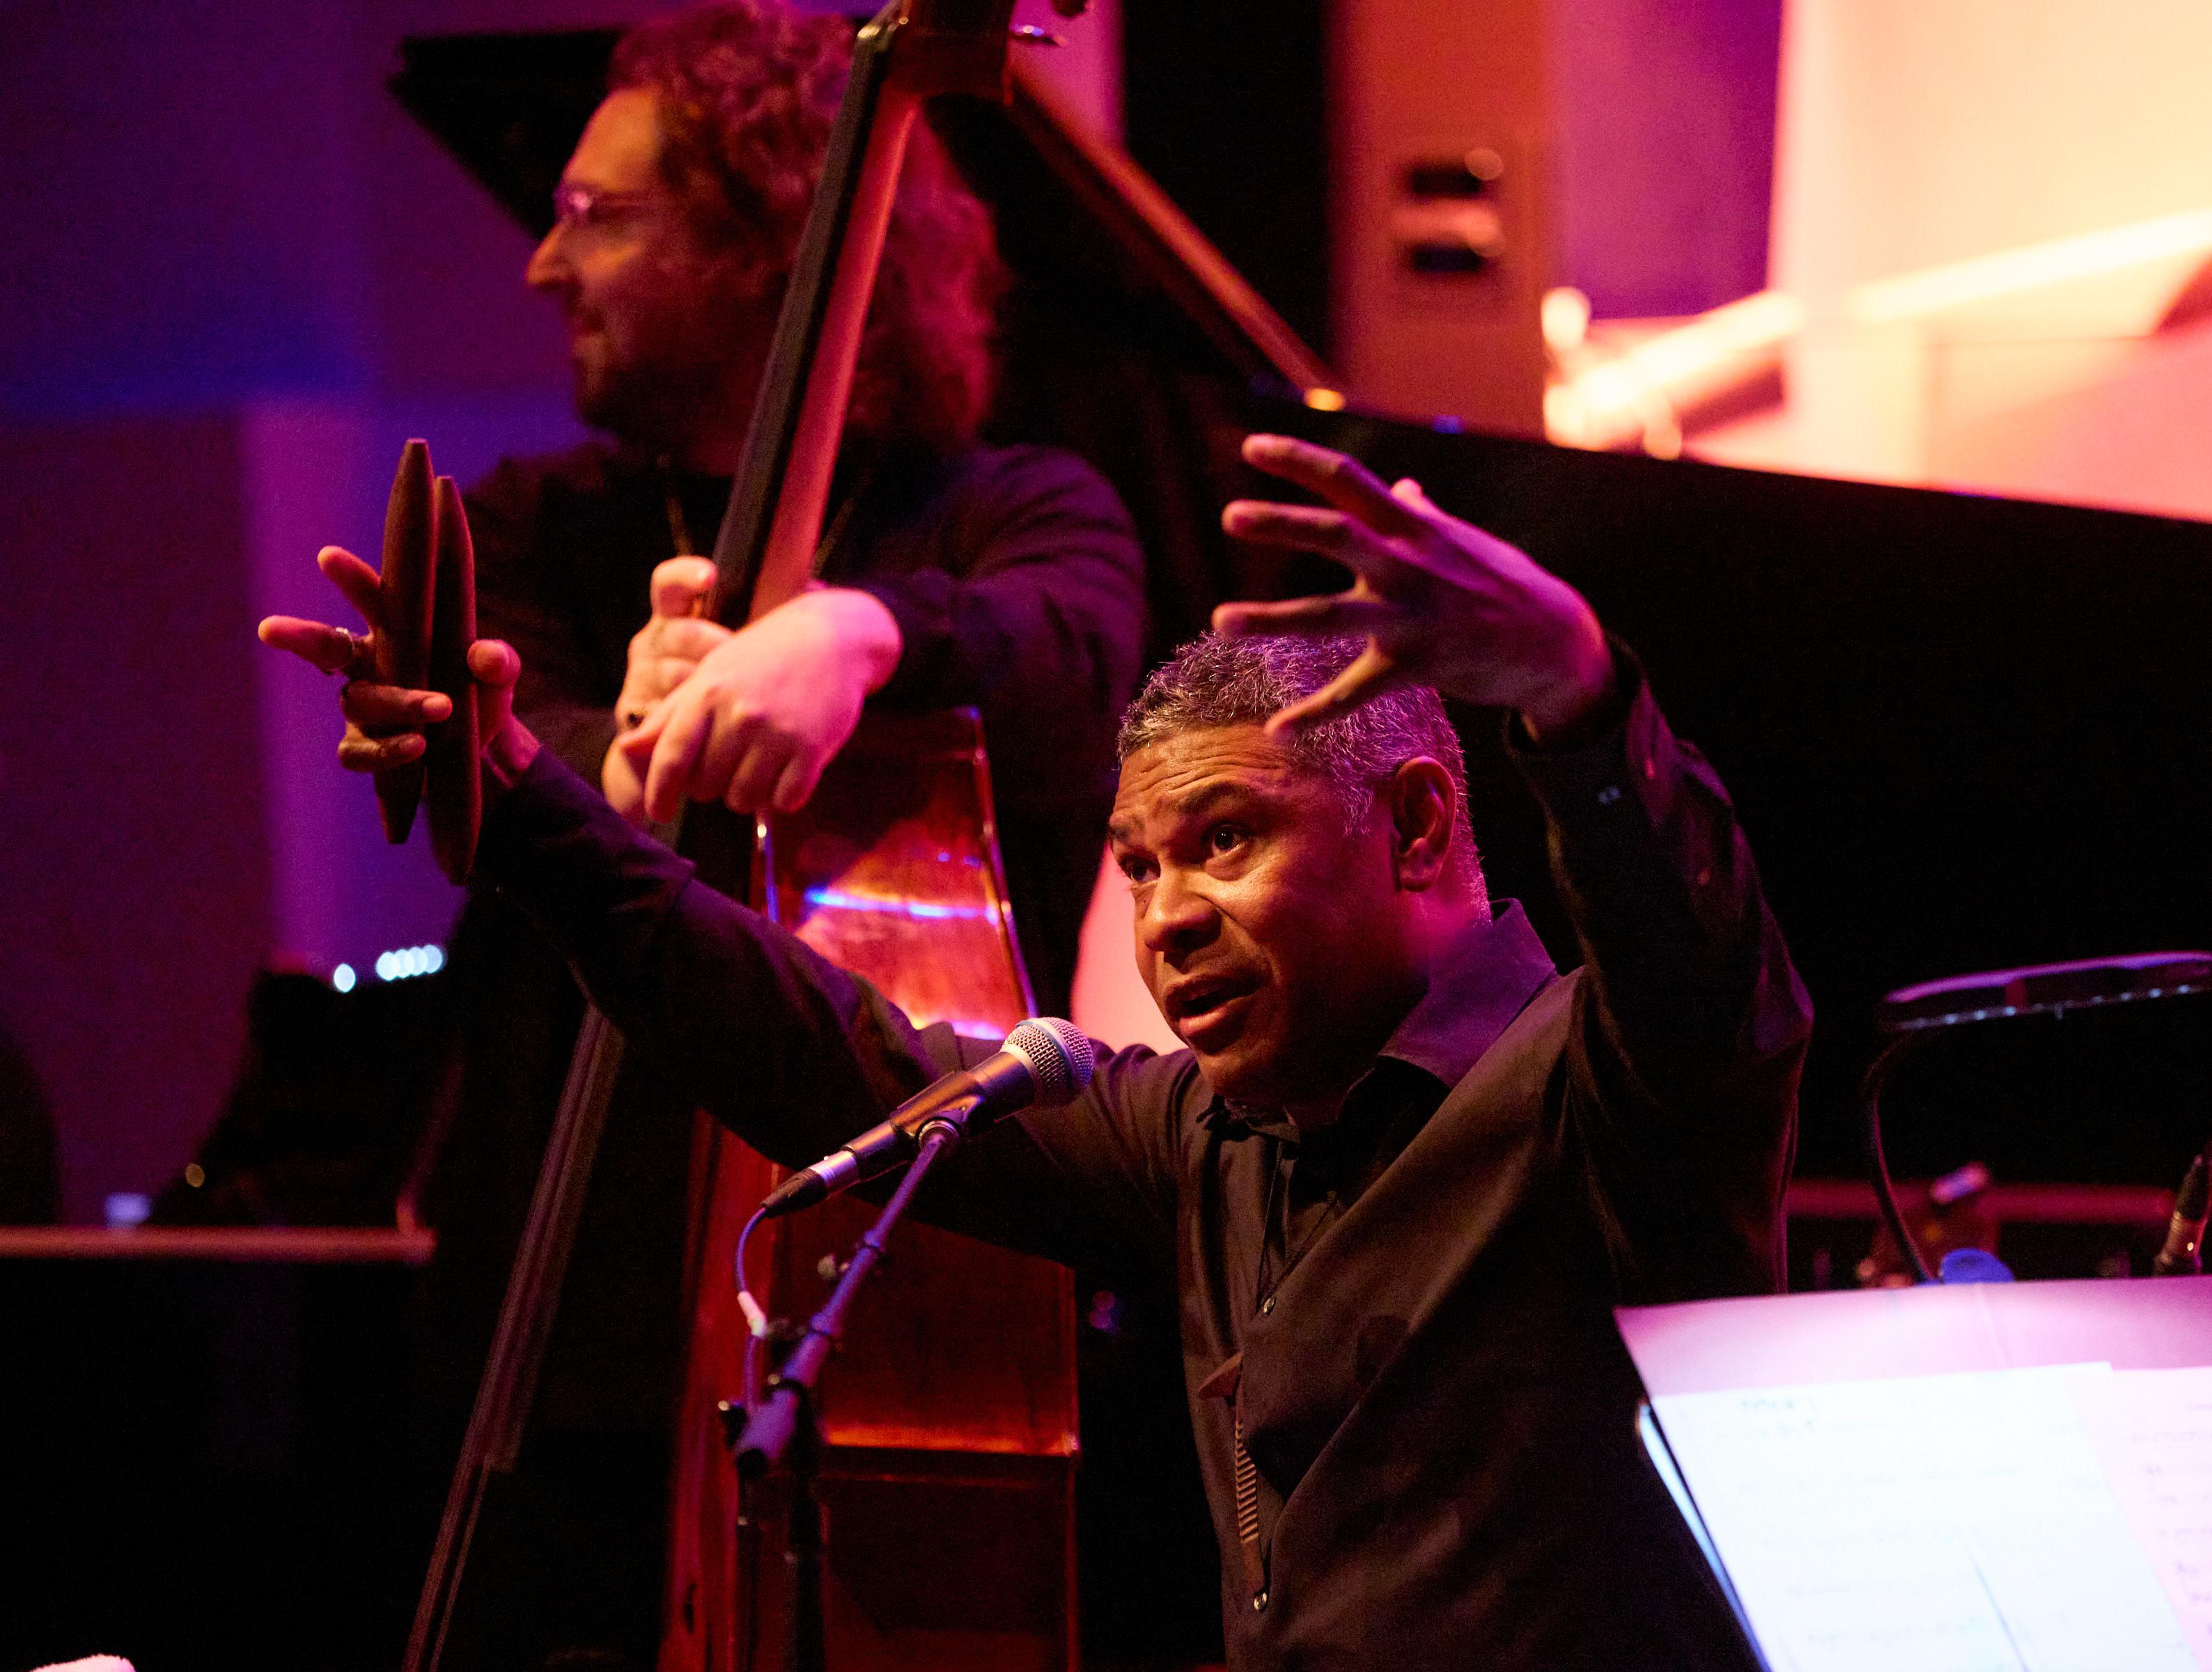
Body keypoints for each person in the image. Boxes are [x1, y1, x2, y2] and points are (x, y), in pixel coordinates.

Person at [270, 431, 1809, 1670]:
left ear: (1413, 824)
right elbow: (825, 1048)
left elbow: (1697, 952)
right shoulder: (1202, 1136)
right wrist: (520, 797)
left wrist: (1579, 696)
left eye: (1225, 840)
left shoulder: (1603, 1094)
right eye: (1141, 866)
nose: (1169, 917)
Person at [387, 2, 1144, 1662]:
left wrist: (863, 632)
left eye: (593, 215)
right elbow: (501, 738)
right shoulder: (535, 528)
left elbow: (1076, 660)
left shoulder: (1018, 511)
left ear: (760, 241)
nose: (542, 263)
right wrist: (609, 749)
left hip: (883, 1332)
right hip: (566, 1333)